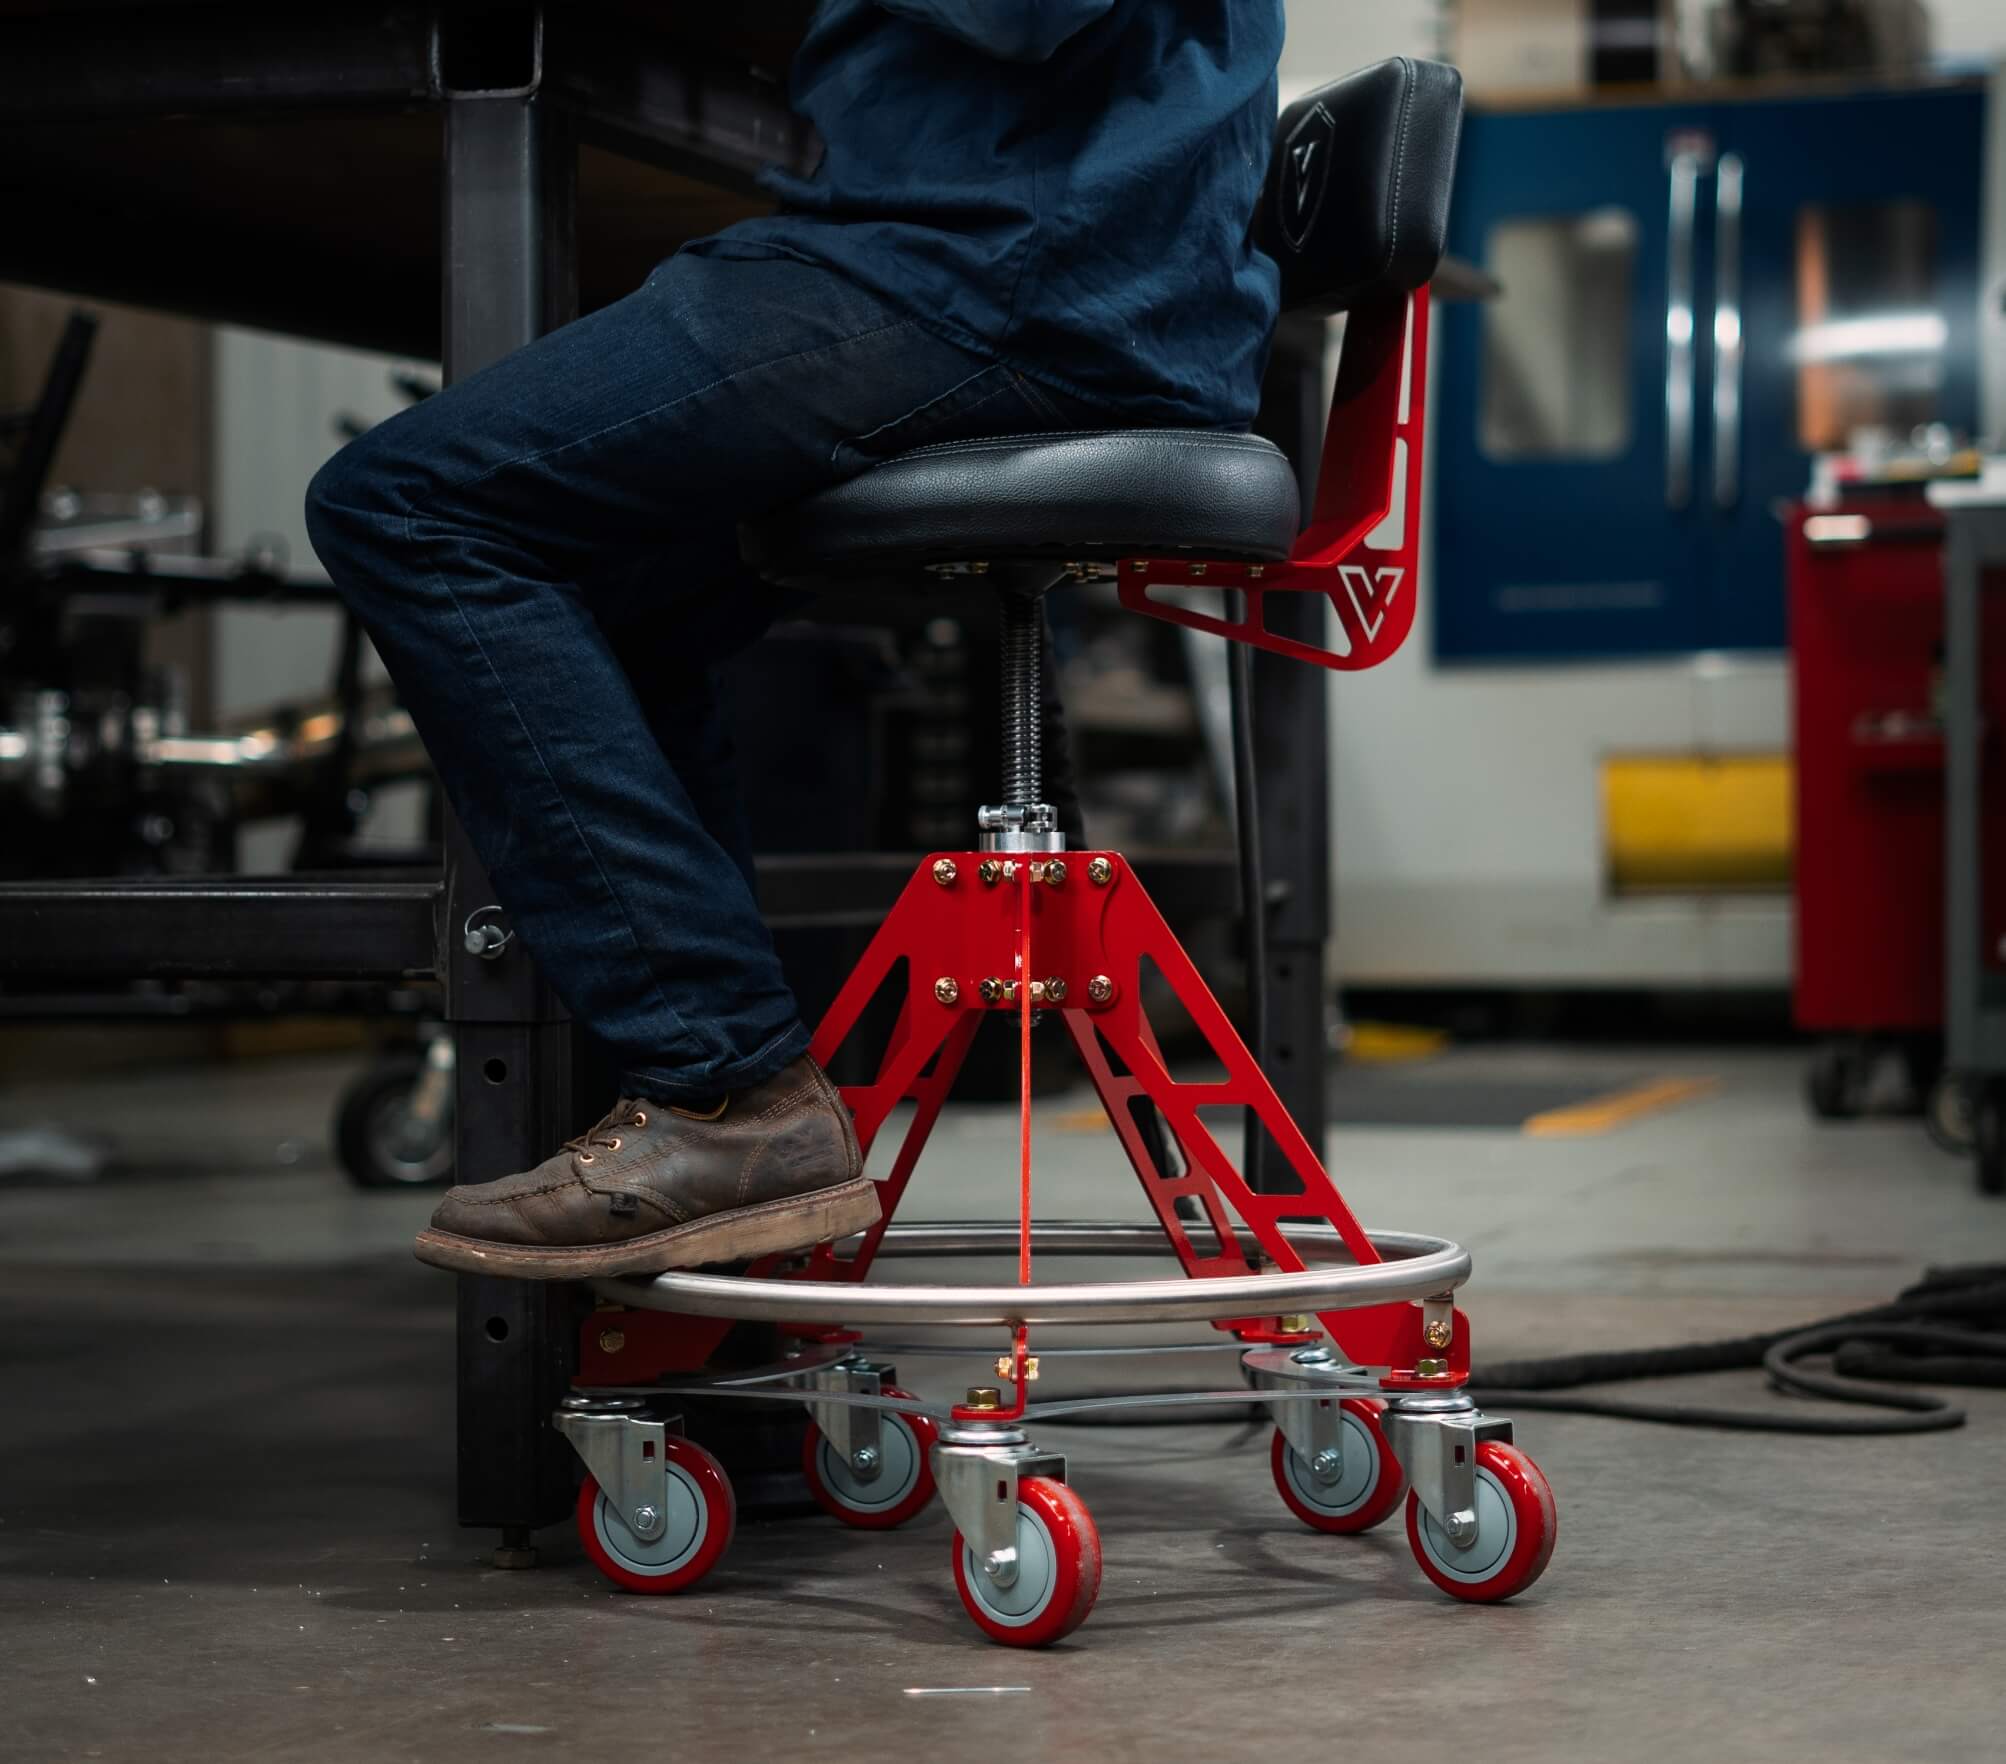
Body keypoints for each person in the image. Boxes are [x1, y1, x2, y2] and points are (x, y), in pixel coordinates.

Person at [305, 0, 1284, 1279]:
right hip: (1025, 262)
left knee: (408, 506)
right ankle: (720, 1228)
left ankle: (724, 1087)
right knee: (602, 587)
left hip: (997, 275)